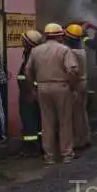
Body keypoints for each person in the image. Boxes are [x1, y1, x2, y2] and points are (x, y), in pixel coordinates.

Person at [25, 23, 80, 164]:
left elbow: (27, 71)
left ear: (46, 35)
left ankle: (49, 156)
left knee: (47, 123)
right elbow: (72, 71)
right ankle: (66, 154)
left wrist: (32, 88)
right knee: (64, 122)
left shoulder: (35, 51)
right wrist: (72, 87)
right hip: (61, 87)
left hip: (42, 87)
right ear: (60, 36)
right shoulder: (64, 50)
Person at [17, 29, 44, 156]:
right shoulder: (34, 55)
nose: (22, 42)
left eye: (24, 40)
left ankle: (31, 148)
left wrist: (31, 92)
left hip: (28, 94)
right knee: (36, 120)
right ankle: (39, 145)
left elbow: (29, 76)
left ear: (29, 43)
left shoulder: (31, 56)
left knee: (30, 121)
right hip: (30, 93)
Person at [65, 23, 91, 150]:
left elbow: (73, 71)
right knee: (82, 112)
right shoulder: (81, 50)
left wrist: (72, 88)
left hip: (77, 84)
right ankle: (86, 137)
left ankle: (79, 141)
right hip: (83, 82)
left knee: (75, 114)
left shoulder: (72, 52)